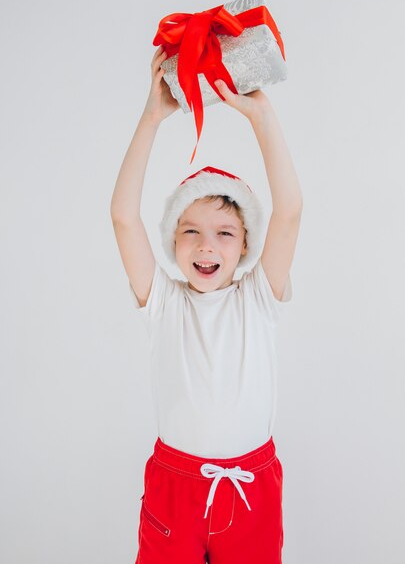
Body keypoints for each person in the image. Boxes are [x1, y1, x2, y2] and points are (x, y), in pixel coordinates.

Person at [110, 45, 303, 564]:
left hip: (250, 489)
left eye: (224, 233)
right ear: (173, 241)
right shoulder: (163, 302)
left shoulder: (259, 296)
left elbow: (290, 209)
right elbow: (123, 217)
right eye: (190, 231)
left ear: (245, 245)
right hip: (175, 488)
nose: (205, 245)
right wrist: (152, 118)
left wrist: (260, 114)